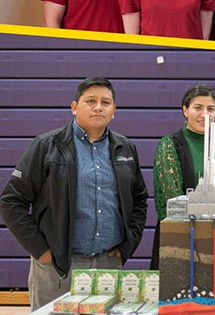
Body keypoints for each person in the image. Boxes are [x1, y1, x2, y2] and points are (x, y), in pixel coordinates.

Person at [0, 77, 148, 310]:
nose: (98, 107)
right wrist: (42, 252)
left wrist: (127, 246)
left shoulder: (125, 148)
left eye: (105, 102)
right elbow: (11, 201)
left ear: (114, 110)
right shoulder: (46, 146)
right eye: (90, 101)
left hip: (108, 264)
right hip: (58, 266)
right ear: (74, 107)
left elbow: (140, 200)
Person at [150, 84, 215, 269]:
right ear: (185, 110)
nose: (204, 114)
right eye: (198, 108)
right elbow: (170, 198)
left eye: (211, 109)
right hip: (181, 239)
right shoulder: (170, 145)